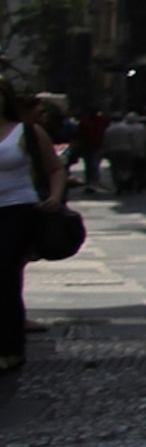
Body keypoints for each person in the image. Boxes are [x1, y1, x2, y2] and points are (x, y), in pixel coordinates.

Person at [0, 82, 70, 374]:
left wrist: (54, 197)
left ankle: (10, 348)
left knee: (4, 274)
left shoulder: (26, 132)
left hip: (19, 208)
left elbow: (55, 168)